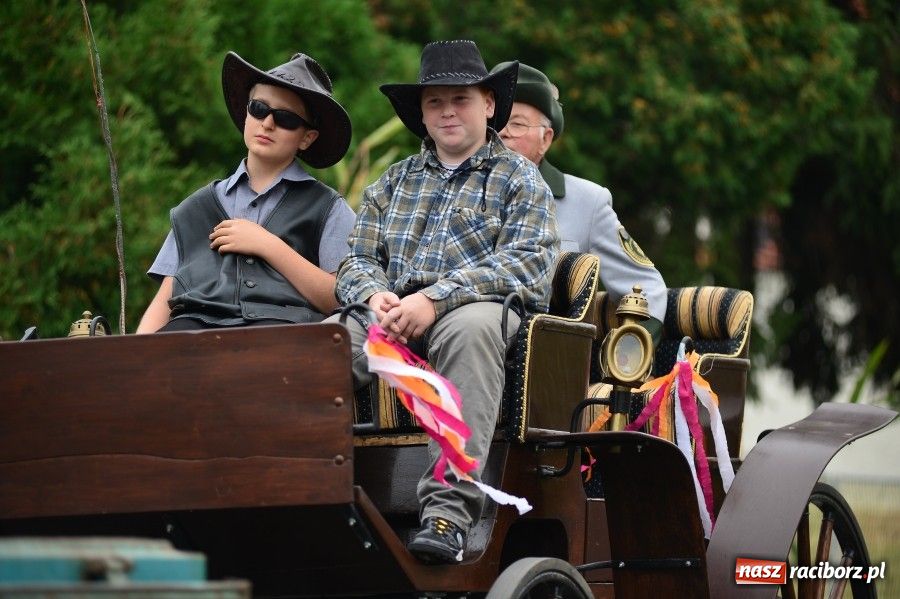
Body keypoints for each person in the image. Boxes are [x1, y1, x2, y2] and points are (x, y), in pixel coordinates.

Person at [329, 40, 559, 564]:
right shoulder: (393, 183)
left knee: (470, 330)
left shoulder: (520, 179)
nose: (448, 111)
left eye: (461, 98)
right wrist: (374, 294)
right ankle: (300, 497)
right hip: (391, 313)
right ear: (422, 113)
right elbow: (357, 260)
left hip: (476, 311)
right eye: (436, 102)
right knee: (323, 344)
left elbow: (527, 264)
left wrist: (435, 299)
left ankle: (448, 516)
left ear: (489, 106)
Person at [136, 51, 356, 333]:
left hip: (280, 350)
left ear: (306, 138)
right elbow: (164, 303)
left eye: (286, 118)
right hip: (187, 350)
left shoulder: (329, 208)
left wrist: (268, 245)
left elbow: (341, 297)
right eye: (259, 109)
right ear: (246, 113)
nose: (267, 123)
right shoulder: (194, 208)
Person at [491, 61, 667, 341]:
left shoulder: (586, 202)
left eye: (518, 124)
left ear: (545, 140)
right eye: (495, 122)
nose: (502, 132)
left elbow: (646, 287)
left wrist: (630, 354)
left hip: (547, 365)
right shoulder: (457, 192)